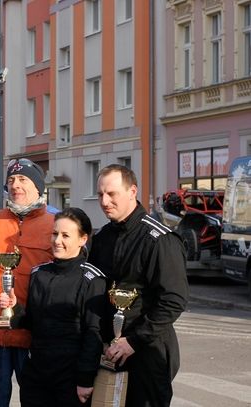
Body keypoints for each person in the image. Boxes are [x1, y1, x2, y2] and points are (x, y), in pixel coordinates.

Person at [88, 164, 189, 407]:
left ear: (132, 191)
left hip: (147, 351)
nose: (104, 200)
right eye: (100, 194)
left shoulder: (160, 240)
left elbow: (173, 300)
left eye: (111, 193)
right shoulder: (101, 239)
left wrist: (133, 341)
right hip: (108, 352)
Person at [0, 208, 107, 406]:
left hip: (70, 378)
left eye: (66, 235)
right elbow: (32, 322)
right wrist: (13, 309)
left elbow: (94, 333)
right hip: (36, 376)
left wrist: (85, 379)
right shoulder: (39, 273)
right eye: (55, 233)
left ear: (83, 239)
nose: (57, 241)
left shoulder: (92, 279)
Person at [0, 157, 54, 407]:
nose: (16, 185)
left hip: (33, 334)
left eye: (23, 179)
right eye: (11, 180)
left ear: (38, 186)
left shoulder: (54, 225)